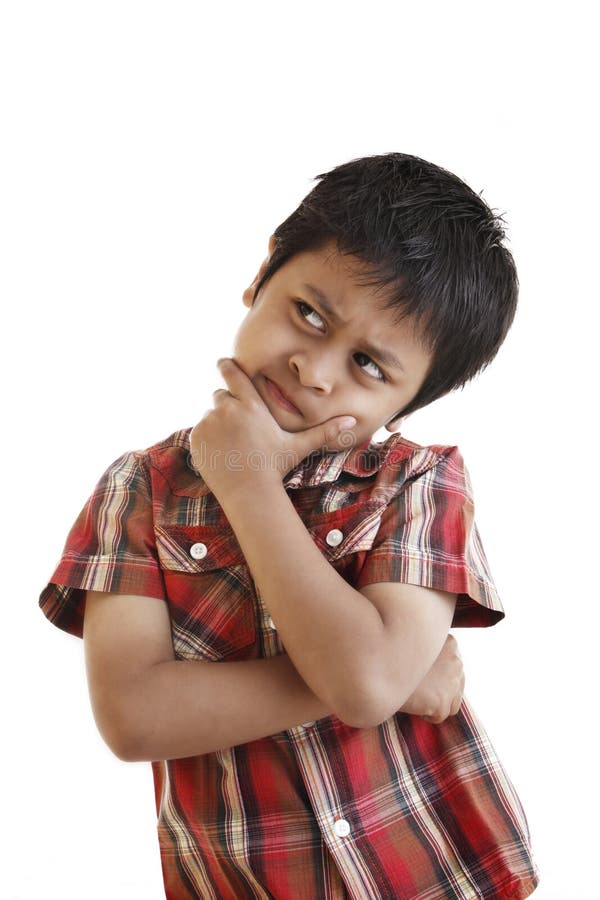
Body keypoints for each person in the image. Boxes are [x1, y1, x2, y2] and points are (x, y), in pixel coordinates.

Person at [39, 153, 539, 899]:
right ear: (262, 274)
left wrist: (246, 482)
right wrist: (395, 674)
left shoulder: (421, 481)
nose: (315, 369)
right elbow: (134, 718)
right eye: (309, 313)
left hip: (439, 873)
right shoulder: (136, 489)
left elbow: (366, 681)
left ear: (409, 402)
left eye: (369, 364)